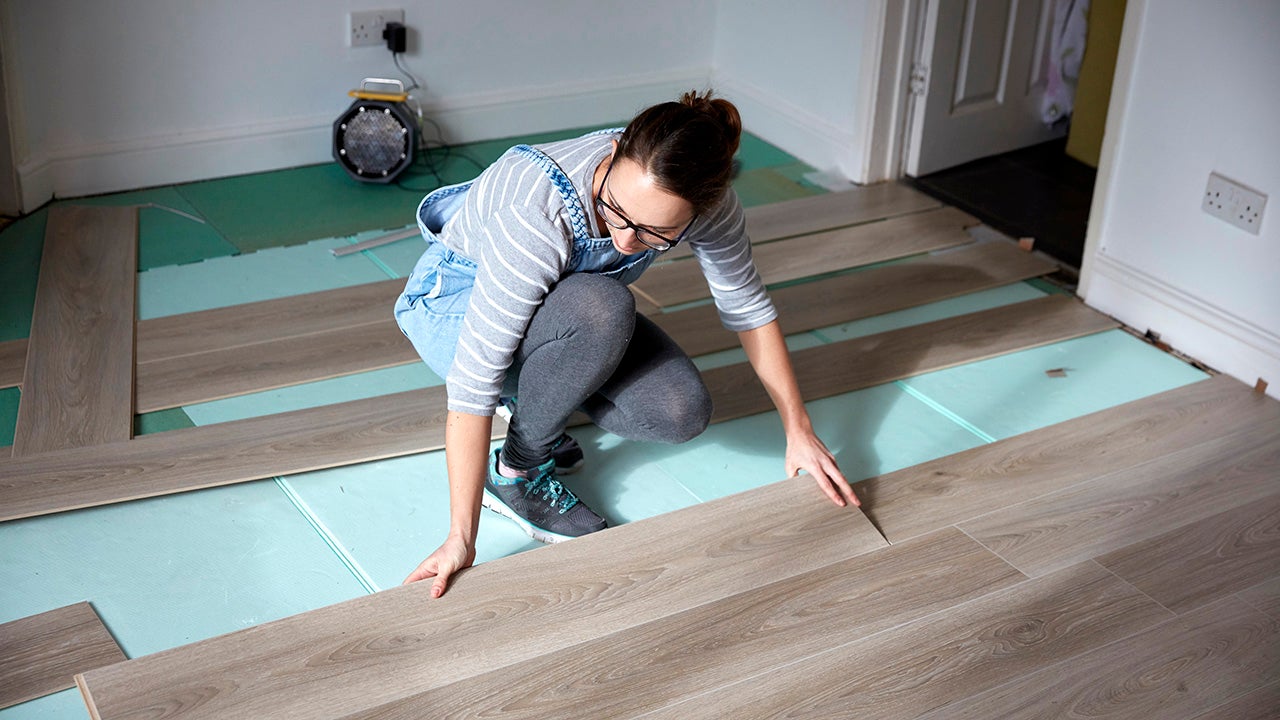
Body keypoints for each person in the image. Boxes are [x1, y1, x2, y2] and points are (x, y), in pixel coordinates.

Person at [394, 90, 859, 598]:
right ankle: (515, 473)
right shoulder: (533, 211)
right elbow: (473, 381)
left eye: (655, 235)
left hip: (563, 315)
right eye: (615, 211)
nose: (623, 241)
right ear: (613, 152)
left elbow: (746, 305)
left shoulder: (709, 200)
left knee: (680, 411)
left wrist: (798, 429)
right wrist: (461, 539)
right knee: (604, 306)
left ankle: (540, 398)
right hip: (451, 311)